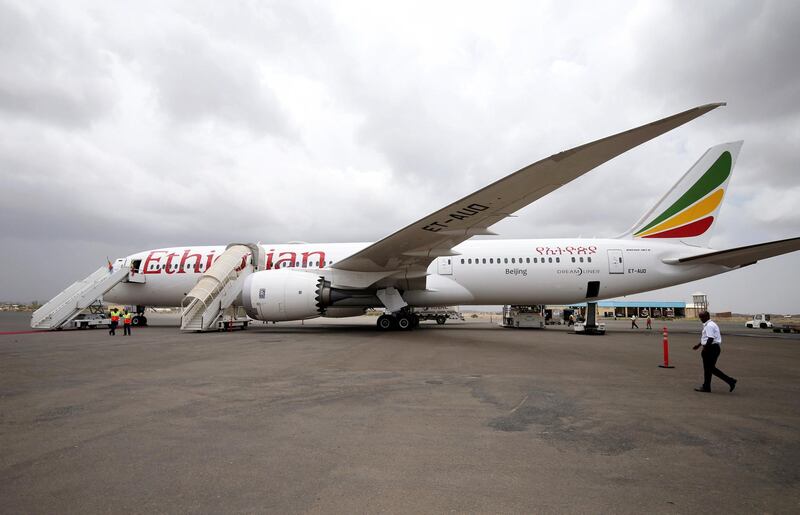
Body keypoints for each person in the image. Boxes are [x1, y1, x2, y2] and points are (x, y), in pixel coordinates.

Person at [692, 311, 737, 393]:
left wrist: (705, 349)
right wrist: (699, 345)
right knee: (708, 369)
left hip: (711, 349)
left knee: (710, 369)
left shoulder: (709, 325)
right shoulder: (710, 324)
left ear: (707, 316)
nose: (701, 319)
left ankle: (730, 381)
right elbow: (706, 338)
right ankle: (707, 387)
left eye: (702, 317)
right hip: (712, 348)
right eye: (700, 317)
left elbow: (710, 338)